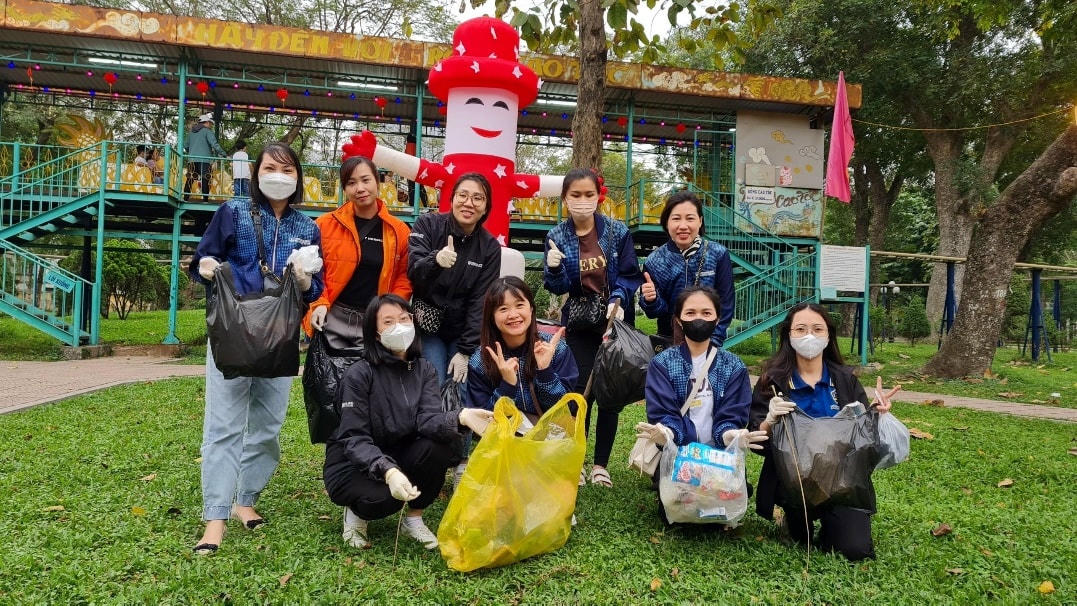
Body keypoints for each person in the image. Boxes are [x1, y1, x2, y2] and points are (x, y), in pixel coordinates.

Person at [188, 142, 324, 555]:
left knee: (267, 427)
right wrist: (206, 268)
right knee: (224, 426)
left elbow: (317, 286)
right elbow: (201, 260)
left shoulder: (309, 227)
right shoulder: (232, 212)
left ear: (298, 177)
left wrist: (305, 283)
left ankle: (244, 499)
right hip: (233, 332)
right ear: (256, 173)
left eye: (286, 169)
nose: (278, 175)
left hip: (280, 338)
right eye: (270, 167)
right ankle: (215, 518)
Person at [323, 294, 494, 550]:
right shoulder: (359, 374)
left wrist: (461, 417)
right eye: (388, 322)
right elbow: (353, 438)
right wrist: (388, 471)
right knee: (385, 499)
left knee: (441, 445)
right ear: (375, 333)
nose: (399, 326)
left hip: (399, 450)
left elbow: (428, 420)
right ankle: (356, 515)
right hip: (353, 463)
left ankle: (413, 519)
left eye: (404, 318)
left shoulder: (424, 369)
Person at [748, 302, 900, 561]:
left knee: (854, 550)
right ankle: (792, 518)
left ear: (829, 336)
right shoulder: (773, 381)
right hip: (794, 481)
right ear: (789, 335)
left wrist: (876, 414)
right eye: (801, 329)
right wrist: (770, 421)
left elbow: (864, 441)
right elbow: (755, 441)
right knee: (799, 539)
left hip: (842, 483)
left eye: (818, 329)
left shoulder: (844, 379)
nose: (809, 335)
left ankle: (835, 523)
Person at [543, 168, 643, 488]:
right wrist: (555, 268)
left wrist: (620, 297)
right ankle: (578, 460)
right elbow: (556, 286)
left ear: (598, 197)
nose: (583, 201)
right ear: (565, 199)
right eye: (576, 195)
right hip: (578, 322)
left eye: (589, 195)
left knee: (609, 394)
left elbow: (630, 274)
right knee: (578, 393)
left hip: (614, 320)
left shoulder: (616, 231)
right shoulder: (557, 236)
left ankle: (601, 465)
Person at [408, 173, 500, 483]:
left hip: (464, 329)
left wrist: (465, 349)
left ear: (486, 207)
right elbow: (413, 270)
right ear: (451, 198)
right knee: (433, 381)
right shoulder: (429, 225)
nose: (469, 203)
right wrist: (436, 260)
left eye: (478, 198)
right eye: (463, 195)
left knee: (462, 383)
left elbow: (481, 301)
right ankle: (431, 451)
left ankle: (460, 458)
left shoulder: (488, 247)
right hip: (430, 324)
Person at [638, 286, 763, 459]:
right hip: (679, 458)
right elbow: (664, 411)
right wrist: (667, 432)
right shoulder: (662, 363)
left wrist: (729, 435)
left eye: (706, 313)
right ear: (679, 320)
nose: (698, 319)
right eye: (690, 313)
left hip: (720, 460)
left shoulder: (734, 366)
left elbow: (733, 413)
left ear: (717, 319)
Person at [302, 155, 412, 350]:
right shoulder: (325, 225)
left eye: (365, 180)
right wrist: (319, 303)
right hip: (331, 317)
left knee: (368, 379)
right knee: (327, 379)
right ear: (344, 189)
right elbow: (316, 271)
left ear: (377, 182)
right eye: (351, 183)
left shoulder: (399, 230)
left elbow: (403, 277)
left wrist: (390, 311)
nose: (360, 188)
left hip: (372, 321)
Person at [466, 277, 578, 420]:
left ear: (531, 309)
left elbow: (566, 409)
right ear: (491, 317)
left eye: (519, 305)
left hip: (549, 439)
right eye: (503, 309)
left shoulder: (555, 349)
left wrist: (545, 372)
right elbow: (481, 420)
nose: (513, 315)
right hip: (505, 440)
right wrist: (507, 385)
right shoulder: (481, 360)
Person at [640, 191, 735, 346]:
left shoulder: (718, 254)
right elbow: (655, 313)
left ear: (700, 221)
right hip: (669, 343)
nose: (683, 226)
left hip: (708, 341)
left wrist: (714, 341)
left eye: (690, 218)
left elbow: (726, 302)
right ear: (666, 222)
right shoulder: (654, 260)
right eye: (676, 218)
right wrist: (651, 300)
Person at [184, 112, 227, 201]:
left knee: (190, 179)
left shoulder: (191, 132)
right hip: (205, 160)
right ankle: (205, 200)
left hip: (192, 160)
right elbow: (215, 145)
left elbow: (185, 146)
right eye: (210, 123)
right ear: (206, 122)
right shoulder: (207, 131)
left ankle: (185, 198)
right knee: (205, 179)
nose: (211, 125)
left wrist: (192, 152)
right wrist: (224, 154)